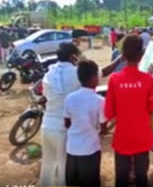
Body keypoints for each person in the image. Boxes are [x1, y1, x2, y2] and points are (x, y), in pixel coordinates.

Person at [105, 34, 153, 187]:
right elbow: (151, 107)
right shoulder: (149, 80)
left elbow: (109, 112)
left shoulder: (114, 79)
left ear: (123, 55)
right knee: (141, 178)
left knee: (121, 179)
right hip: (142, 137)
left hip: (122, 138)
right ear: (141, 55)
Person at [40, 43, 82, 186]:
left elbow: (45, 97)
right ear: (73, 56)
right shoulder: (77, 73)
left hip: (46, 125)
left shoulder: (49, 73)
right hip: (63, 129)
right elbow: (98, 74)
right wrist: (119, 60)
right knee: (63, 167)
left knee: (48, 164)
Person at [64, 60, 106, 186]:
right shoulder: (99, 100)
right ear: (93, 78)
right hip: (90, 151)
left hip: (72, 150)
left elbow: (67, 123)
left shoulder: (69, 98)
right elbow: (103, 128)